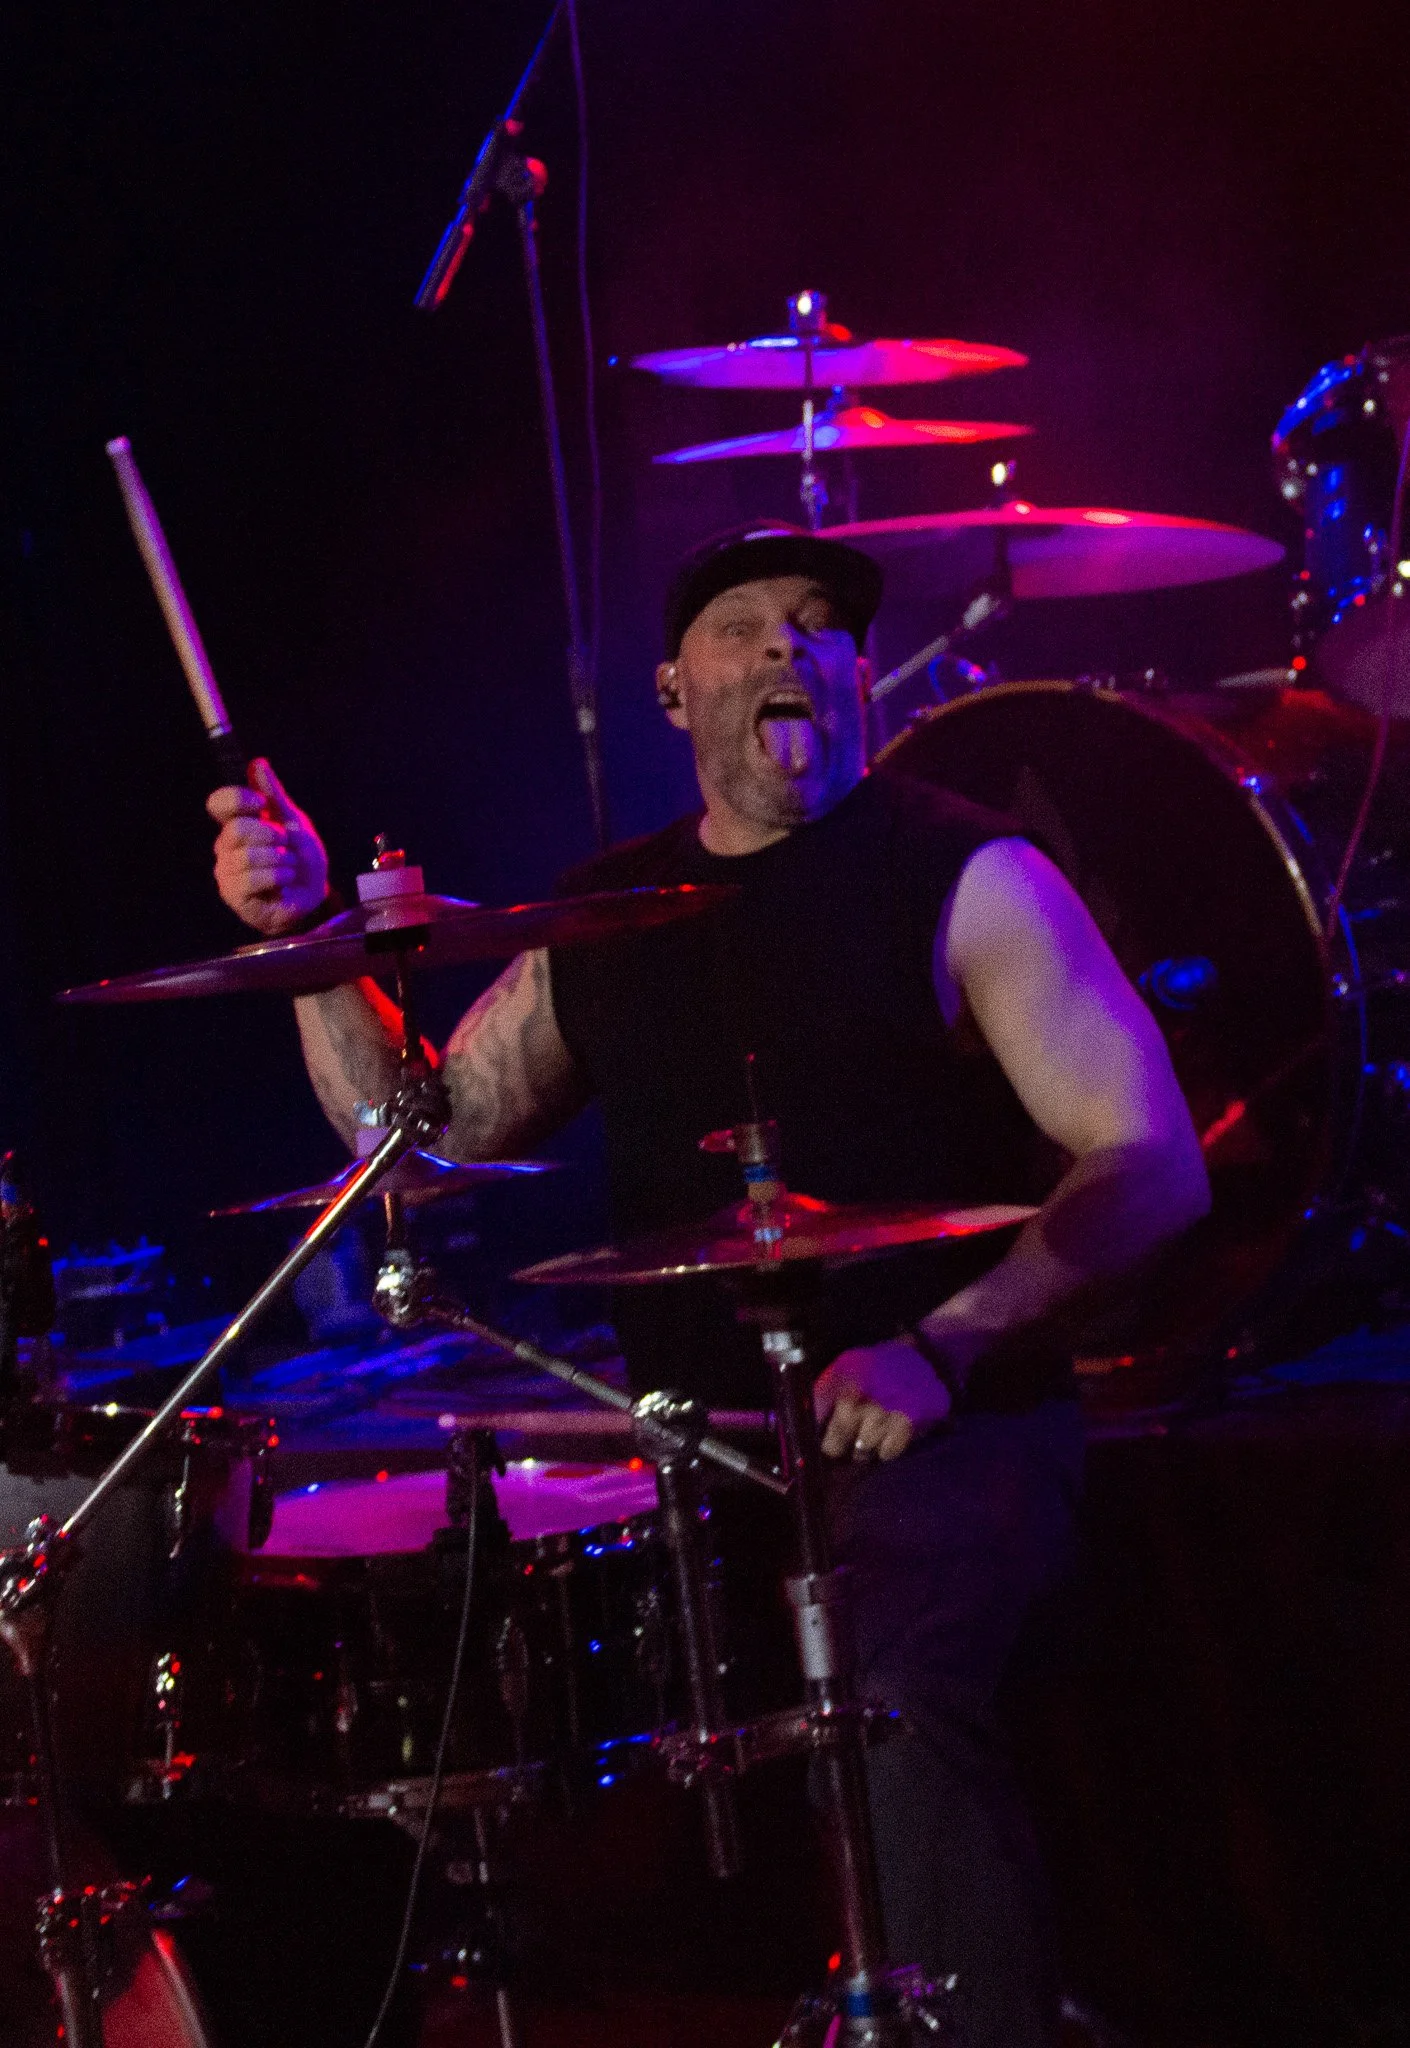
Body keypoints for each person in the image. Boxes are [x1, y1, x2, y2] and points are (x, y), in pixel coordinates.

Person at [207, 523, 1210, 2048]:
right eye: (742, 627)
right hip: (701, 1455)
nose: (787, 646)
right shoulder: (604, 920)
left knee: (883, 1692)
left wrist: (944, 1346)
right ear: (674, 693)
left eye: (818, 625)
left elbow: (1150, 1160)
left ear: (858, 675)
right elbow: (413, 1139)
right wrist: (306, 944)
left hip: (952, 1437)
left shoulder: (969, 875)